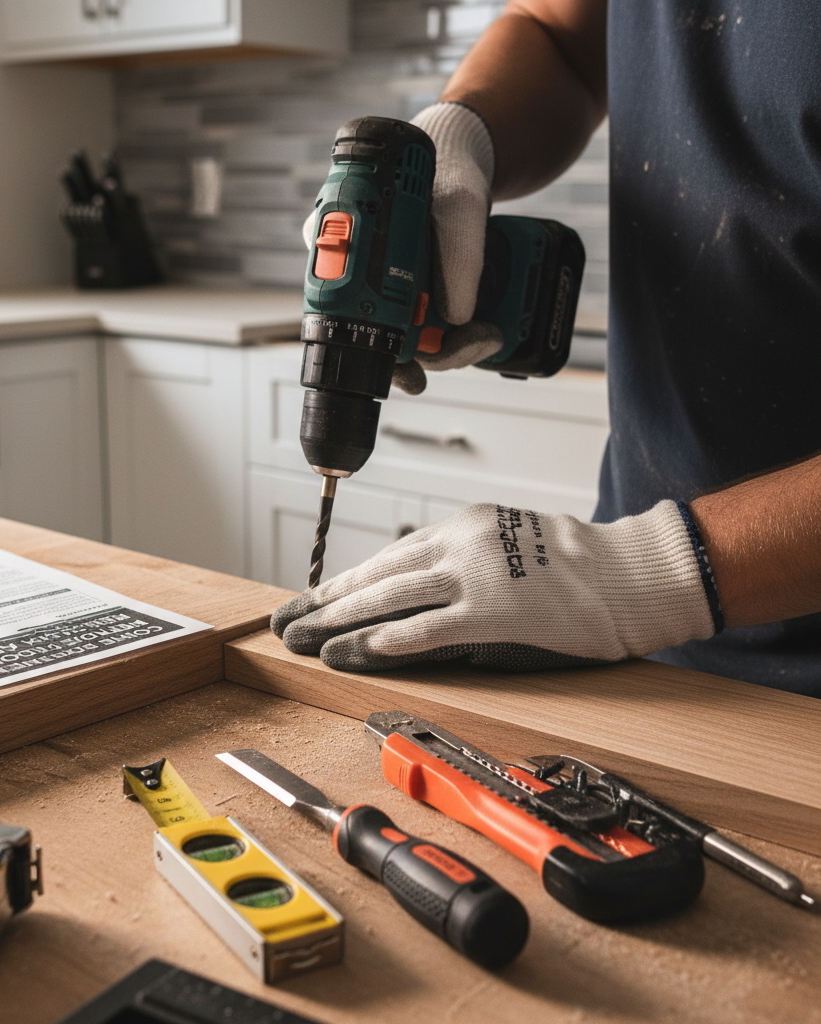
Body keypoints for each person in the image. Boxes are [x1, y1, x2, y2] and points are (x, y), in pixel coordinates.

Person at [271, 0, 821, 696]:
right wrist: (461, 132)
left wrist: (640, 575)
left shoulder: (632, 584)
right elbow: (558, 34)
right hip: (645, 637)